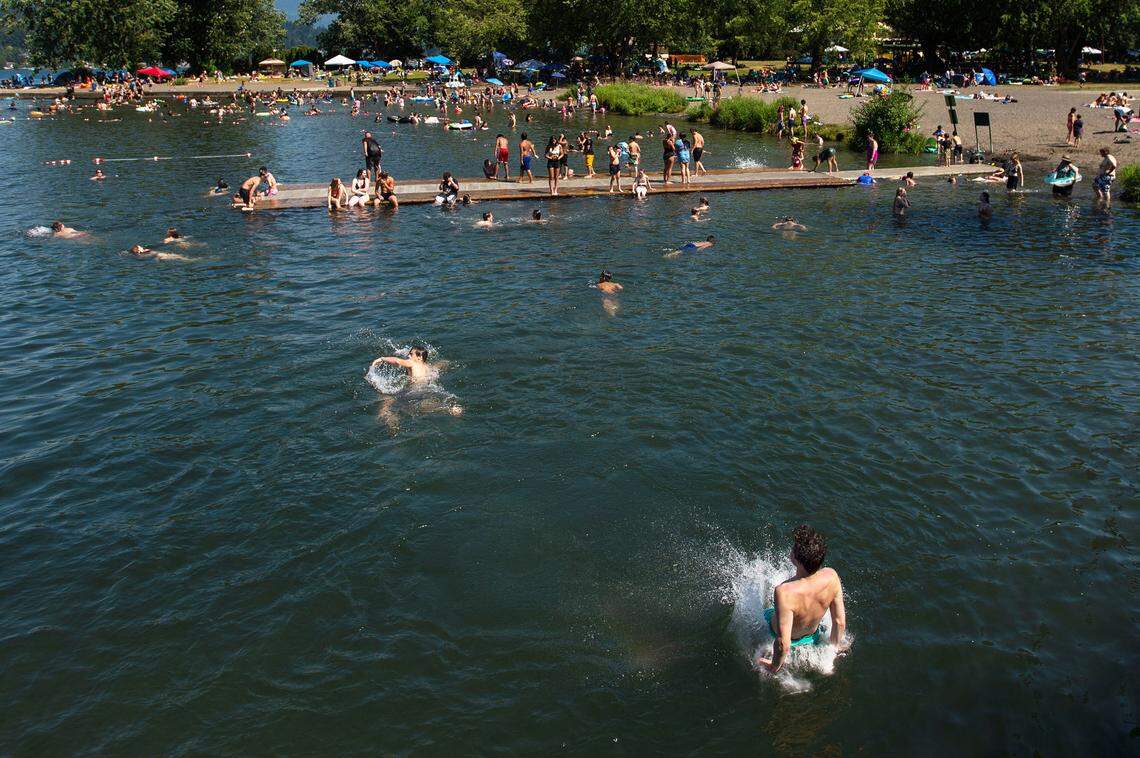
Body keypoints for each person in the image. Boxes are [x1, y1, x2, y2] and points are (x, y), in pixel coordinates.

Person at [755, 525, 848, 674]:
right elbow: (840, 622)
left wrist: (773, 667)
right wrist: (833, 649)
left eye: (793, 548)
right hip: (812, 637)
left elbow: (783, 643)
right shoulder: (831, 576)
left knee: (763, 609)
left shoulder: (784, 591)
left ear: (798, 560)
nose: (791, 549)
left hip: (776, 635)